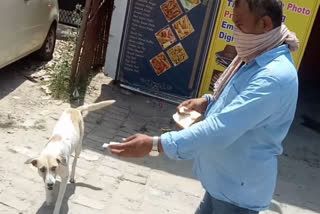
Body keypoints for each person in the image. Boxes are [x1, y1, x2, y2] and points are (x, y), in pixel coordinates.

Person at [109, 0, 300, 213]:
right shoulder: (256, 54)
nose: (235, 32)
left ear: (265, 24)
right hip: (221, 185)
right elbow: (235, 100)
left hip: (237, 197)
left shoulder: (273, 77)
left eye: (239, 24)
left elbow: (220, 129)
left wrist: (156, 144)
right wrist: (208, 101)